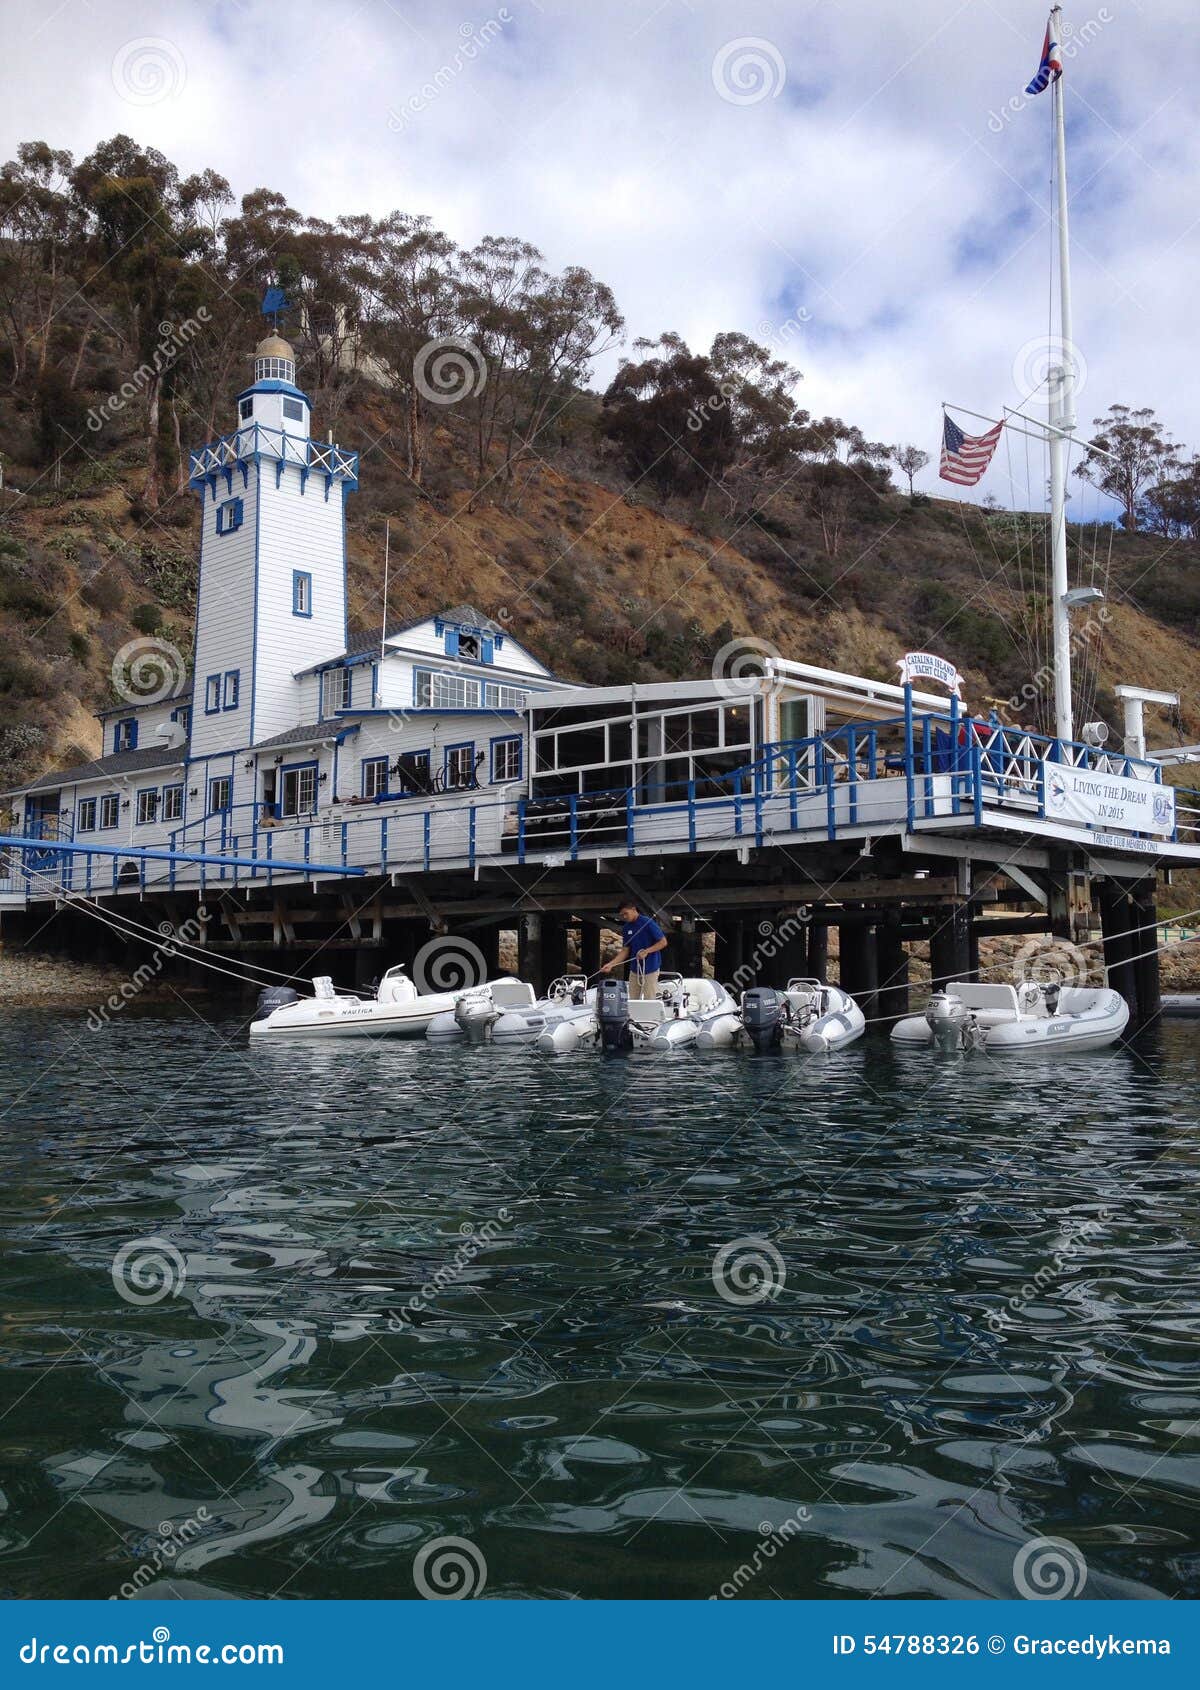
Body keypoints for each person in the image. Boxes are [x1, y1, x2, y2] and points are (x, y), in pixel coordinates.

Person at [599, 901, 668, 998]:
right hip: (634, 969)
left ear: (634, 910)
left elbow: (663, 942)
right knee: (632, 999)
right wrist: (611, 964)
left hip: (650, 968)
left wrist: (647, 951)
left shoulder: (647, 923)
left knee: (650, 999)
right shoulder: (626, 928)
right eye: (622, 915)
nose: (624, 917)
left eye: (626, 913)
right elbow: (625, 951)